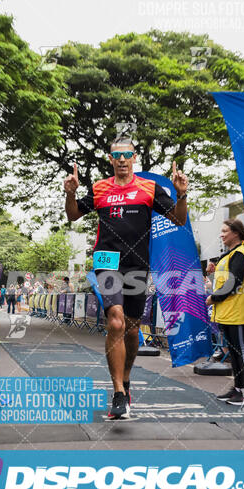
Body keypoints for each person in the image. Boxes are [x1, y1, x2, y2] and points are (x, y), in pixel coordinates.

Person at [64, 135, 188, 419]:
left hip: (137, 264)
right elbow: (73, 215)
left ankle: (127, 377)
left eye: (126, 155)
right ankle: (118, 391)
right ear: (110, 159)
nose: (121, 159)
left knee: (132, 329)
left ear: (134, 158)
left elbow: (179, 219)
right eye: (116, 155)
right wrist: (70, 193)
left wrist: (181, 195)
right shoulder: (99, 189)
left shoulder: (149, 187)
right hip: (107, 260)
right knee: (116, 321)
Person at [206, 219, 244, 406]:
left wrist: (213, 298)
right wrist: (211, 272)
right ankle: (237, 389)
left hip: (238, 311)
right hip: (228, 311)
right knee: (235, 352)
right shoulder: (229, 255)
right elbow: (223, 280)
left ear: (235, 233)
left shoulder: (239, 253)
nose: (221, 234)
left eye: (224, 231)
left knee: (241, 351)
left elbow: (232, 283)